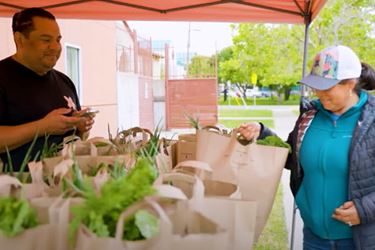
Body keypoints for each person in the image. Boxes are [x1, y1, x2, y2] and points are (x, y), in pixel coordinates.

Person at [238, 45, 375, 249]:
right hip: (313, 236)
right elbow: (293, 159)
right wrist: (262, 133)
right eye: (316, 86)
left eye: (327, 87)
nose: (319, 93)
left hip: (359, 241)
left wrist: (365, 210)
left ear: (350, 84)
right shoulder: (309, 116)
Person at [0, 8, 94, 171]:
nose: (55, 47)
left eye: (58, 40)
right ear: (20, 39)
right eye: (46, 40)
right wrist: (43, 127)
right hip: (16, 190)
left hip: (63, 186)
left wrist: (81, 127)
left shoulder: (65, 81)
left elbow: (78, 139)